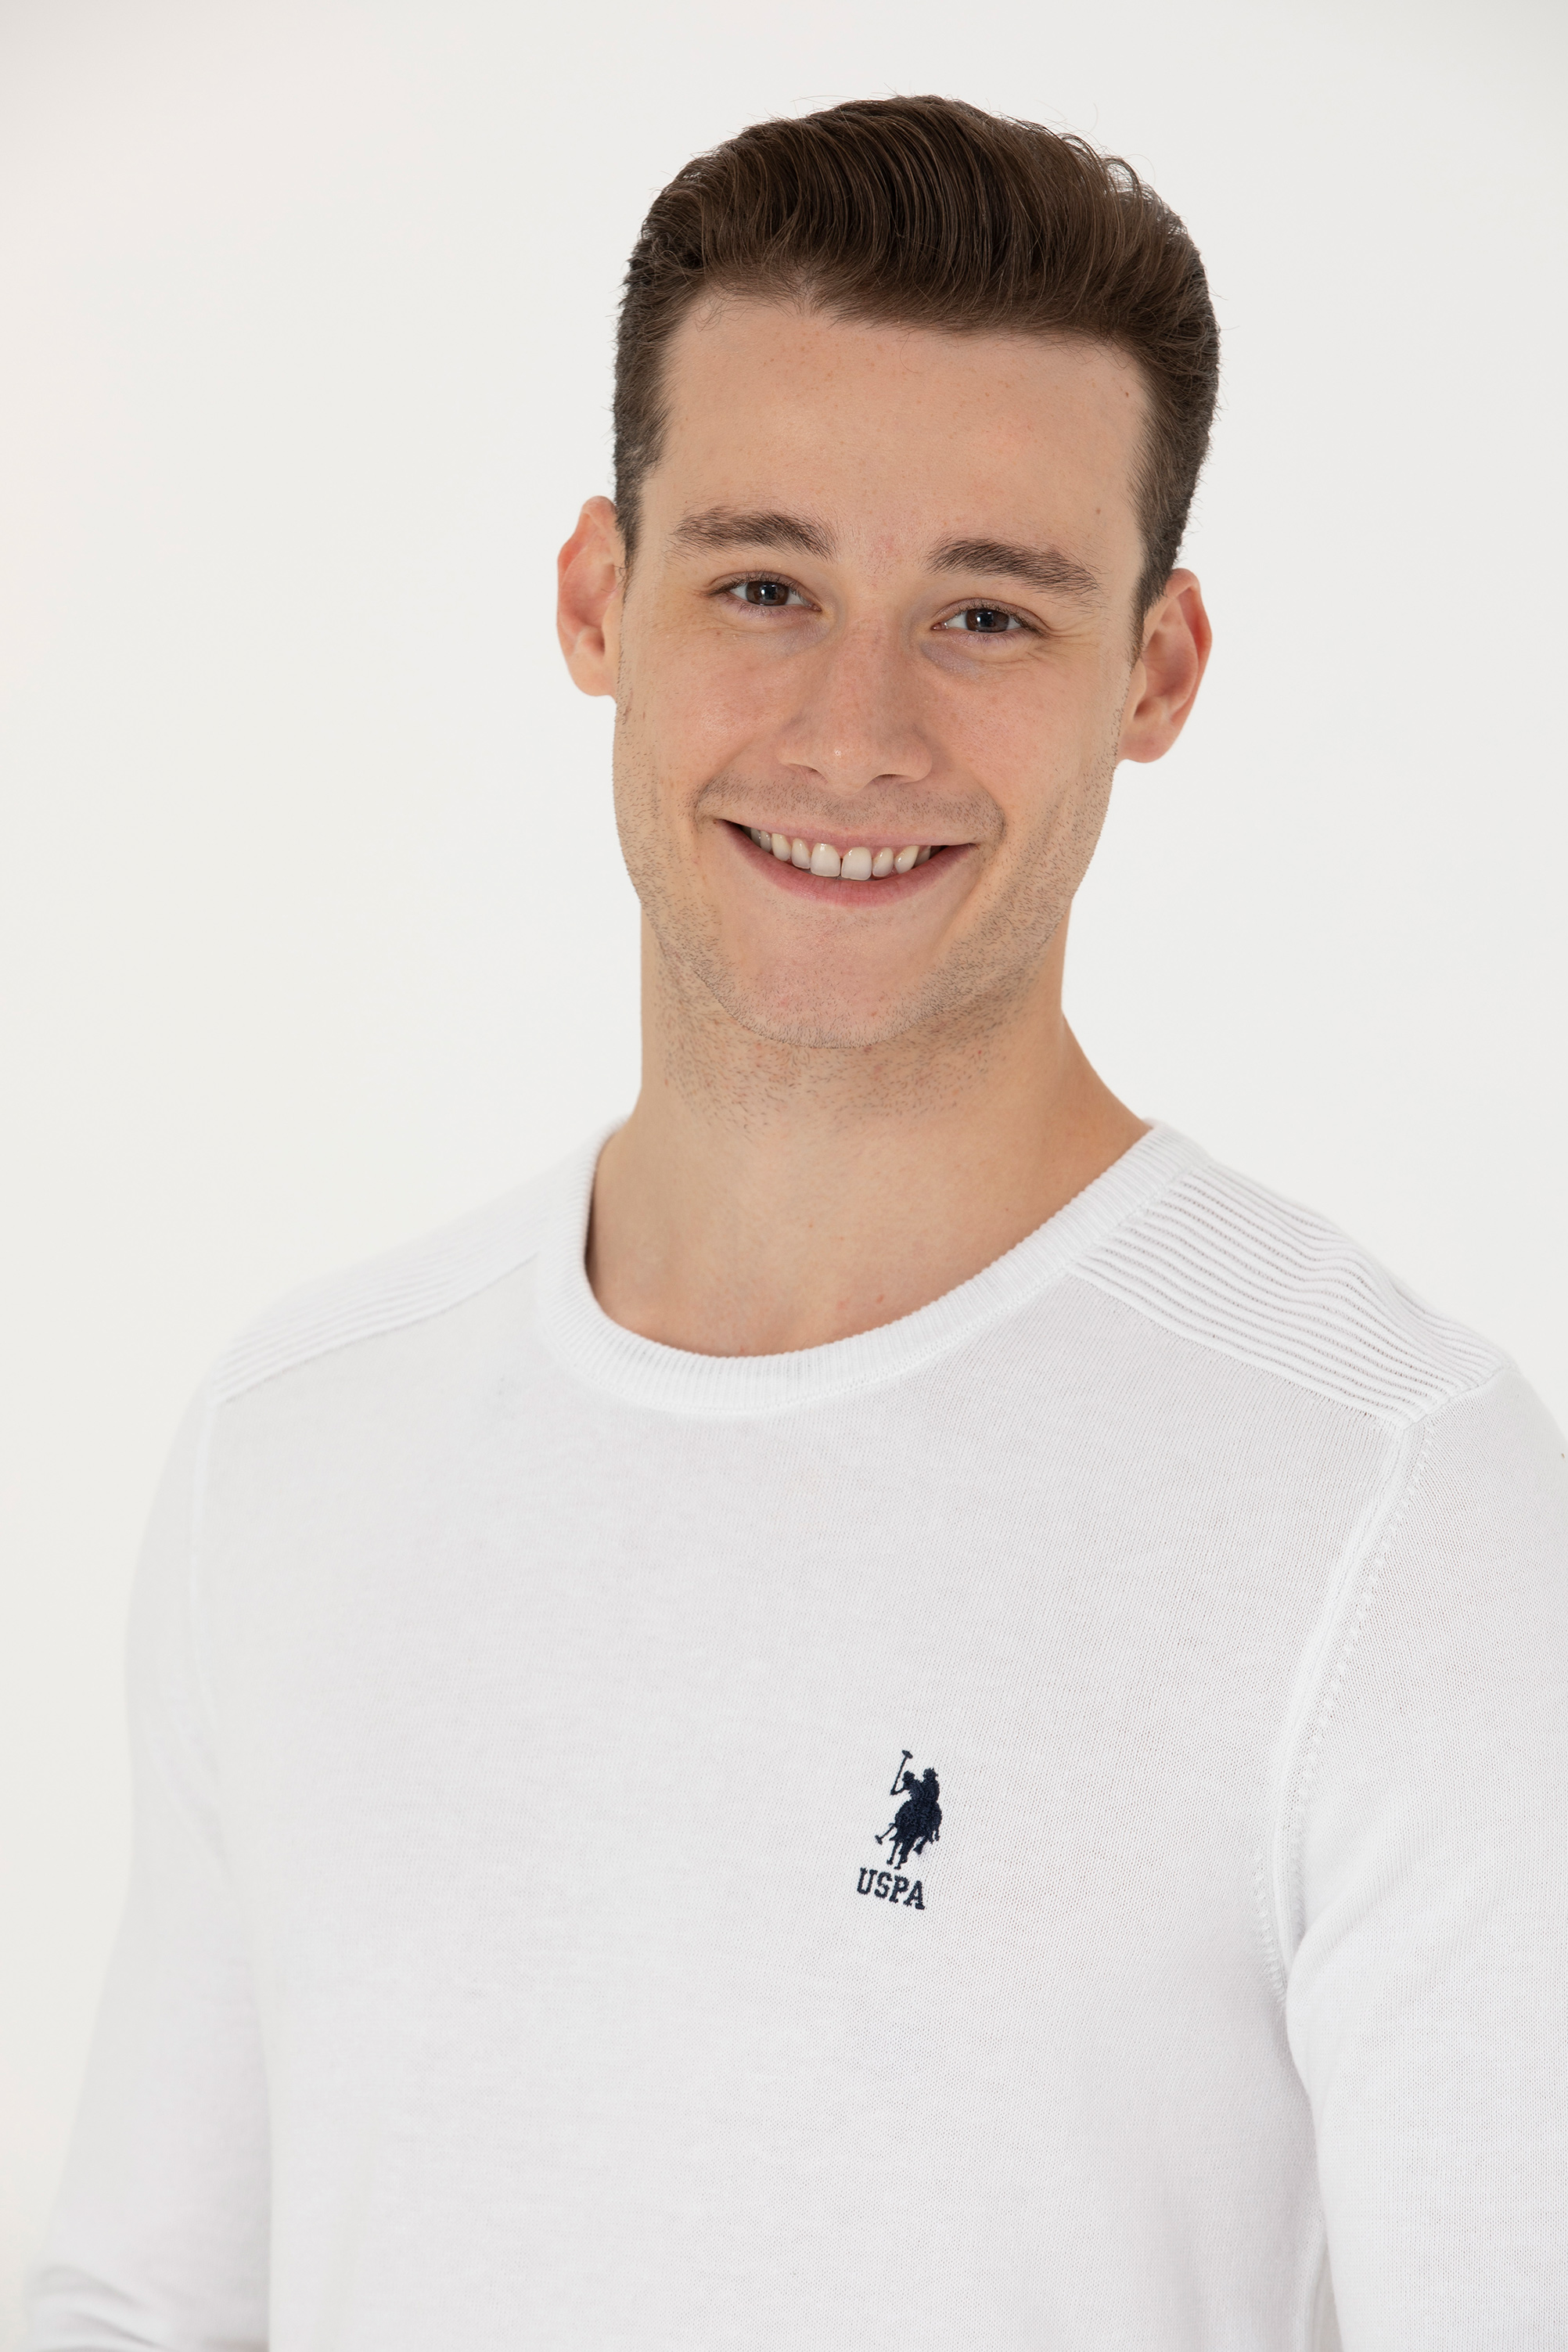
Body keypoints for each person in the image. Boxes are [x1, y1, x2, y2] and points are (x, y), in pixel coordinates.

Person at [27, 95, 1567, 2352]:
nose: (857, 733)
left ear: (1155, 673)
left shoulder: (1391, 1502)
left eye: (986, 614)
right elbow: (145, 2302)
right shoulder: (297, 1440)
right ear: (597, 598)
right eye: (764, 585)